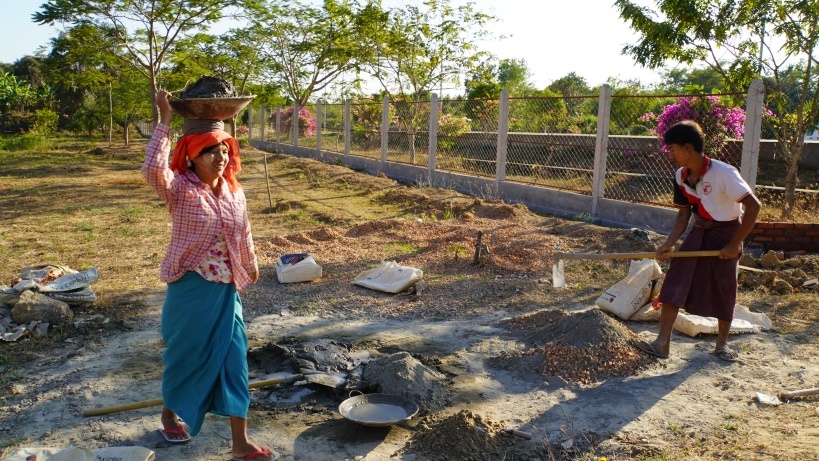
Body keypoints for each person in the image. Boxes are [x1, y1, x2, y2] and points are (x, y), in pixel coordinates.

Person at [142, 89, 279, 461]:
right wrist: (165, 119)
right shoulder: (180, 190)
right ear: (191, 155)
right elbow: (152, 170)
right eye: (210, 151)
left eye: (224, 150)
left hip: (225, 291)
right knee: (184, 357)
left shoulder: (235, 192)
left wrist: (249, 268)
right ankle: (170, 414)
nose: (220, 157)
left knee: (235, 359)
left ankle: (240, 444)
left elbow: (244, 232)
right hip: (190, 289)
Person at [633, 120, 760, 362]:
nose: (669, 154)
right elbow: (684, 213)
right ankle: (662, 343)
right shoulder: (681, 176)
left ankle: (721, 345)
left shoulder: (724, 173)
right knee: (674, 281)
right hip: (699, 230)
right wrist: (670, 243)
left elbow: (754, 206)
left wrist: (734, 244)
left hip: (727, 233)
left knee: (724, 287)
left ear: (688, 148)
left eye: (672, 149)